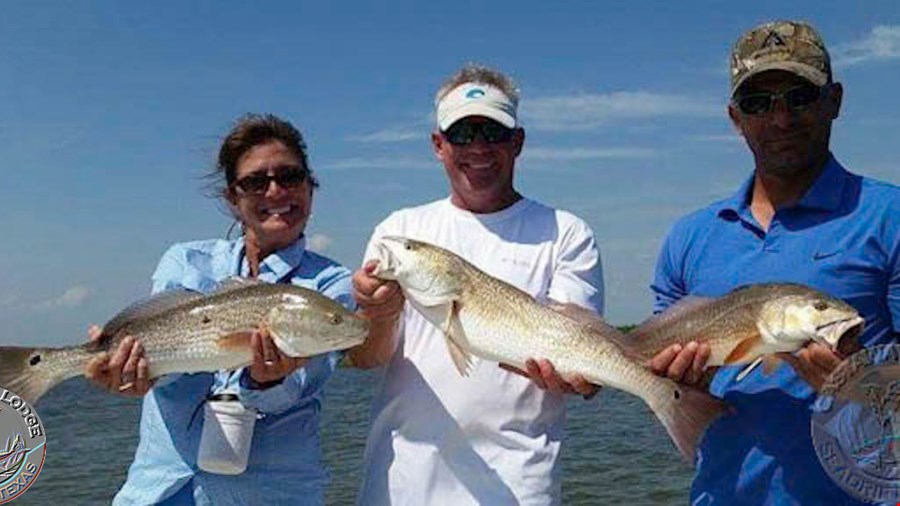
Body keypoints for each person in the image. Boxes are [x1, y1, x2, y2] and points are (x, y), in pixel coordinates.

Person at [649, 20, 900, 505]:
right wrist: (681, 384)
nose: (781, 119)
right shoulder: (689, 237)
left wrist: (858, 387)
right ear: (734, 117)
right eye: (758, 104)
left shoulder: (889, 218)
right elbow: (676, 400)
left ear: (834, 101)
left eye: (799, 96)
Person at [351, 64, 605, 505]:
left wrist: (579, 378)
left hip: (519, 487)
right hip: (400, 485)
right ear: (438, 145)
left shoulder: (566, 232)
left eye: (493, 132)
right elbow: (367, 358)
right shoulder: (399, 231)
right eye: (462, 135)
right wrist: (377, 313)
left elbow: (579, 354)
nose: (479, 147)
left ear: (518, 142)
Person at [85, 113, 355, 505]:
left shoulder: (331, 284)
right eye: (256, 182)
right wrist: (134, 374)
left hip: (271, 494)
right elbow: (167, 365)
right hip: (162, 490)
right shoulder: (185, 261)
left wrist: (267, 381)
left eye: (290, 177)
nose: (276, 191)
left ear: (311, 188)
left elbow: (303, 384)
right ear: (233, 199)